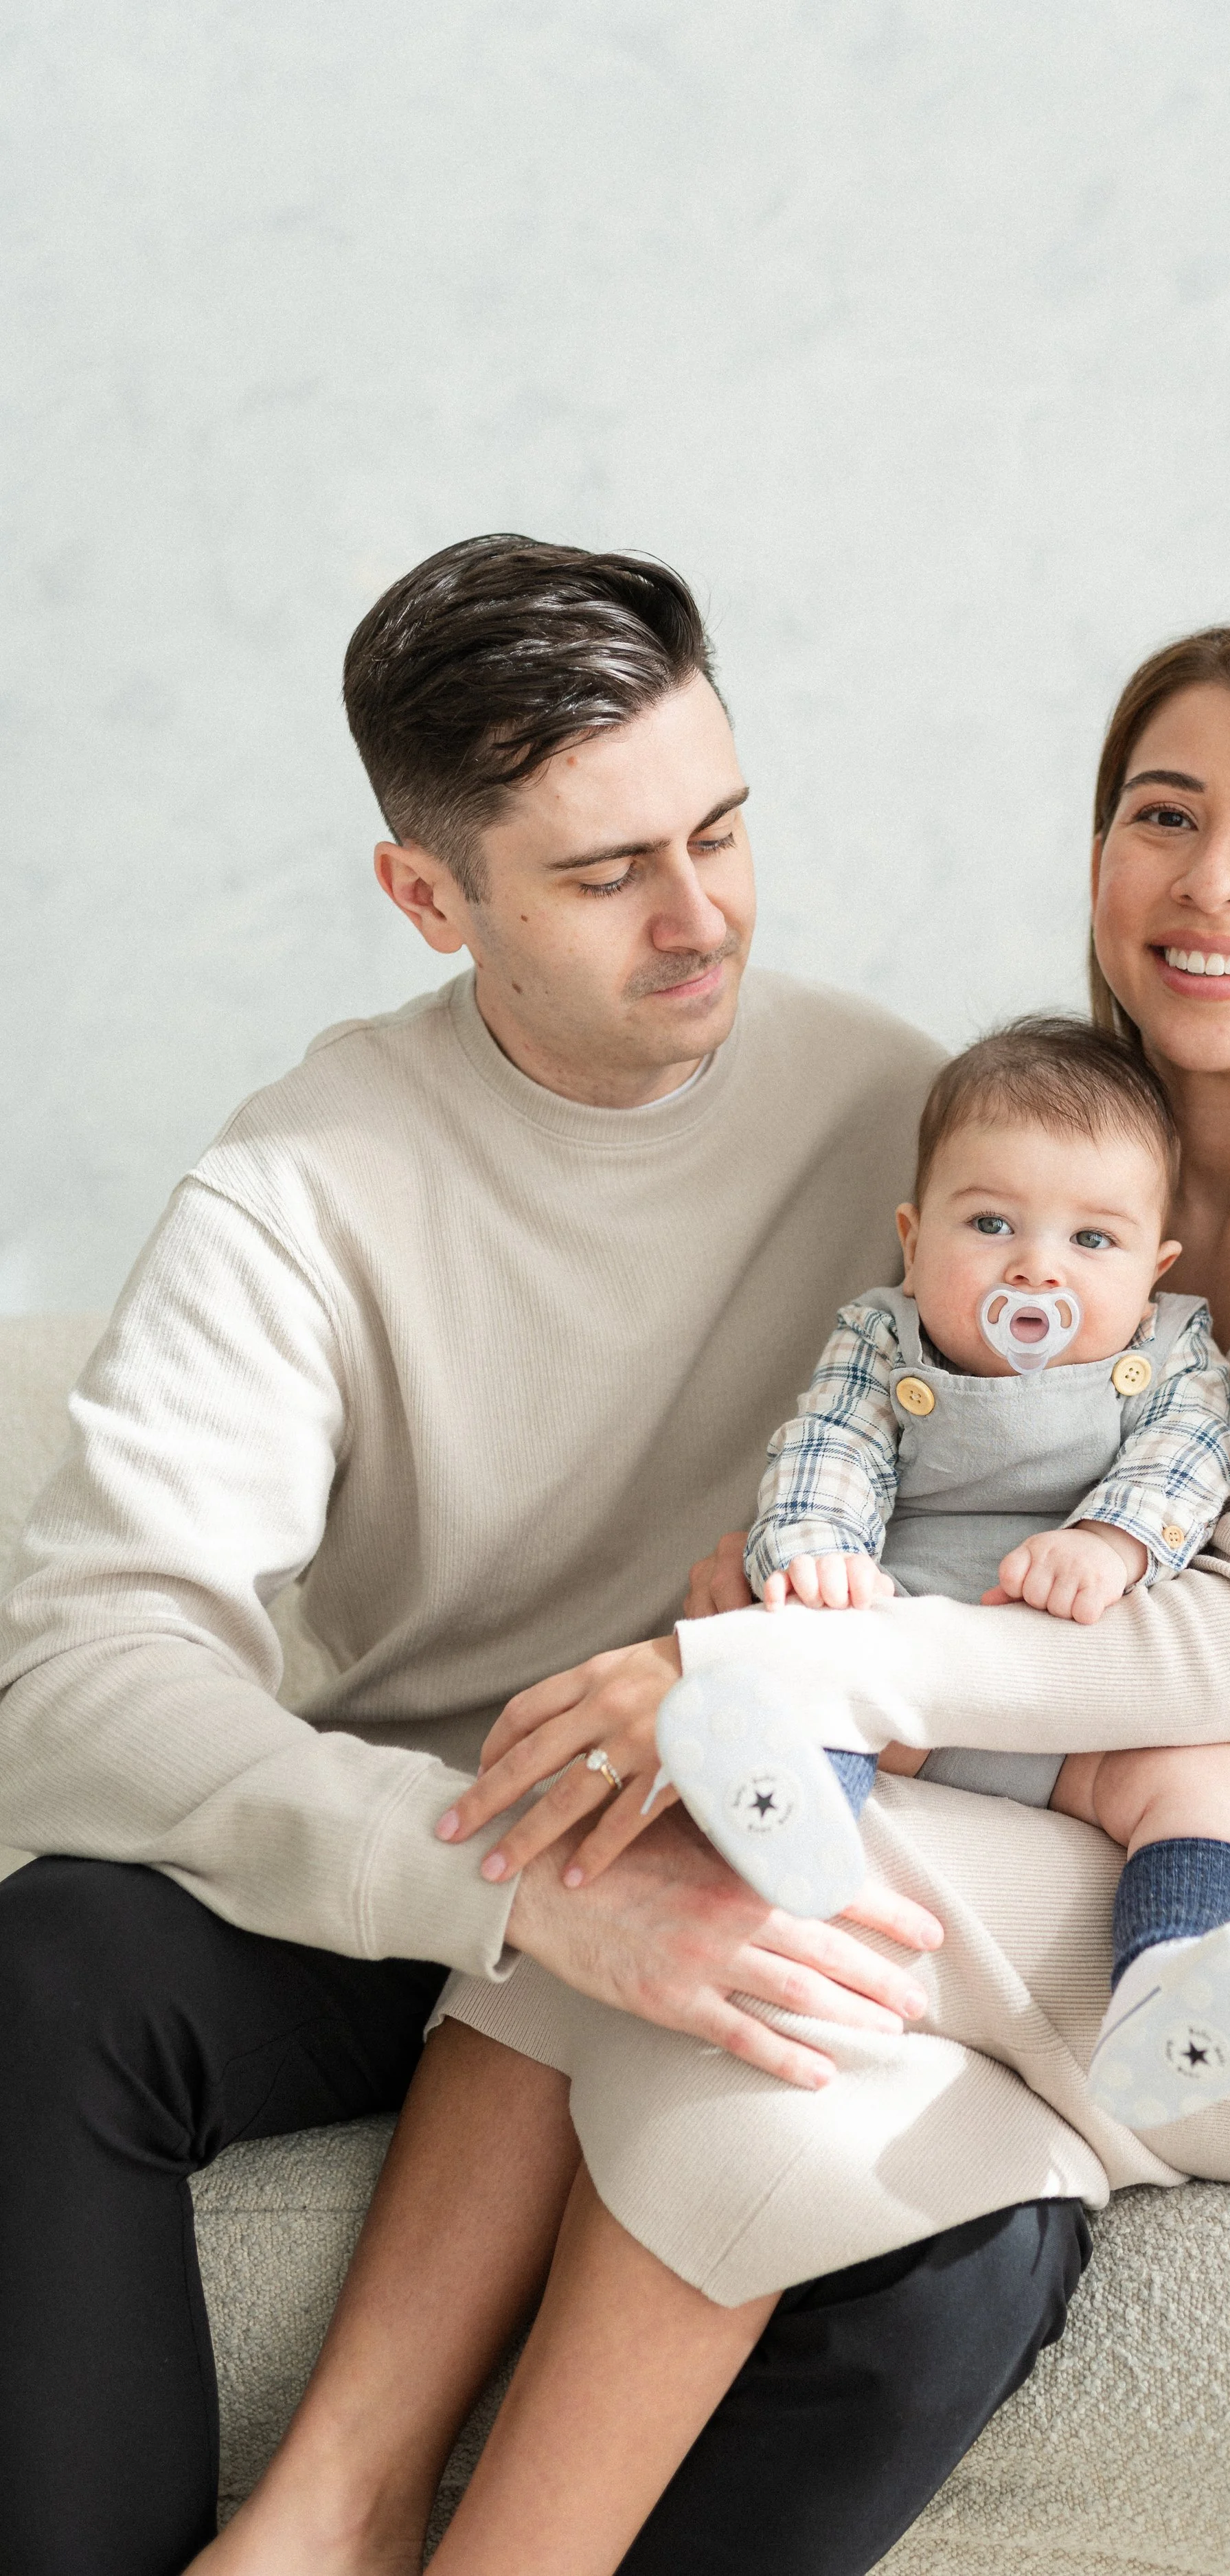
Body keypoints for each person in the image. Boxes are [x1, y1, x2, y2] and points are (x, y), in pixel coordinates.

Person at [315, 611, 1230, 2570]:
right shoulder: (1057, 1174)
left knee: (709, 1832)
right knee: (763, 2069)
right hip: (1086, 1839)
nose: (1213, 880)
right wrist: (777, 1581)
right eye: (1162, 811)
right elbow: (882, 1467)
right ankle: (329, 2515)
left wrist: (768, 1660)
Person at [0, 536, 1095, 2576]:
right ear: (432, 895)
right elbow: (74, 1674)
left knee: (973, 2232)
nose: (702, 920)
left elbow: (1143, 1401)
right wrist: (516, 1893)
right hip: (424, 1848)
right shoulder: (300, 1183)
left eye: (723, 828)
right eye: (606, 875)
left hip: (773, 1822)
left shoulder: (907, 1119)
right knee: (54, 1963)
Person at [648, 1014, 1230, 2127]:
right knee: (803, 1674)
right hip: (902, 1671)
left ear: (1157, 1268)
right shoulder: (884, 1337)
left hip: (1082, 1720)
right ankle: (785, 1838)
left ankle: (1178, 1976)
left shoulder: (1170, 1355)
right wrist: (820, 1556)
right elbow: (830, 1448)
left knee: (1224, 1779)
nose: (1036, 1267)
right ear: (915, 1242)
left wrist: (1109, 1541)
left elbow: (1191, 1457)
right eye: (993, 1222)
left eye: (1092, 1242)